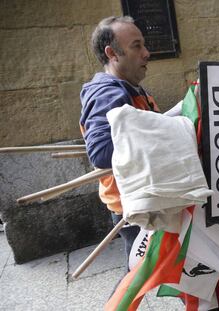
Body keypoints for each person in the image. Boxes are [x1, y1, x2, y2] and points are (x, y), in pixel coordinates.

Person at [79, 16, 160, 267]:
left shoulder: (130, 87)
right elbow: (101, 153)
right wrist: (164, 134)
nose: (146, 53)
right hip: (136, 210)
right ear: (112, 53)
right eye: (136, 46)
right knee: (138, 280)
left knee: (156, 276)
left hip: (148, 200)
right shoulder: (108, 93)